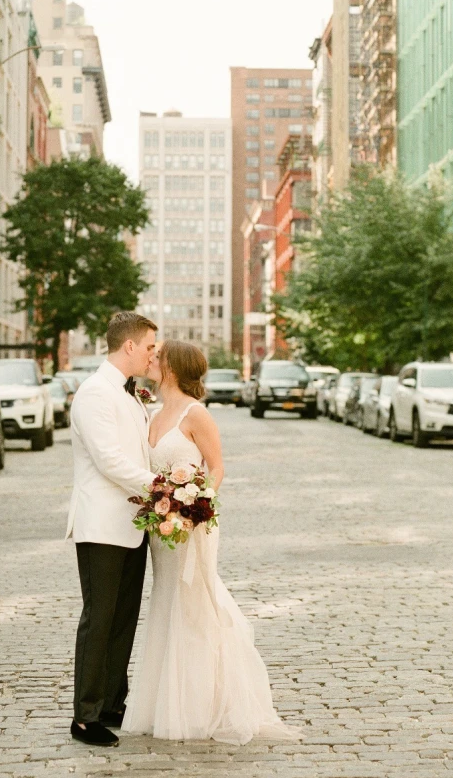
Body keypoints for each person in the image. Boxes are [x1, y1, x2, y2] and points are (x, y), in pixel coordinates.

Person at [122, 340, 300, 745]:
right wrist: (166, 508)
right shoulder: (151, 411)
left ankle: (202, 704)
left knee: (195, 602)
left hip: (191, 526)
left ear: (172, 367)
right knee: (167, 601)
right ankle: (163, 700)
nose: (151, 358)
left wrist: (194, 504)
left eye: (158, 356)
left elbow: (216, 467)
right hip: (160, 527)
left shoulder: (194, 412)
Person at [67, 312, 158, 748]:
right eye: (149, 348)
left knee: (123, 619)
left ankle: (110, 703)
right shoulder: (94, 393)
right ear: (129, 347)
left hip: (133, 524)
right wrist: (163, 487)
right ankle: (84, 717)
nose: (152, 355)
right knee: (98, 619)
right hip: (102, 525)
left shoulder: (129, 395)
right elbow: (109, 462)